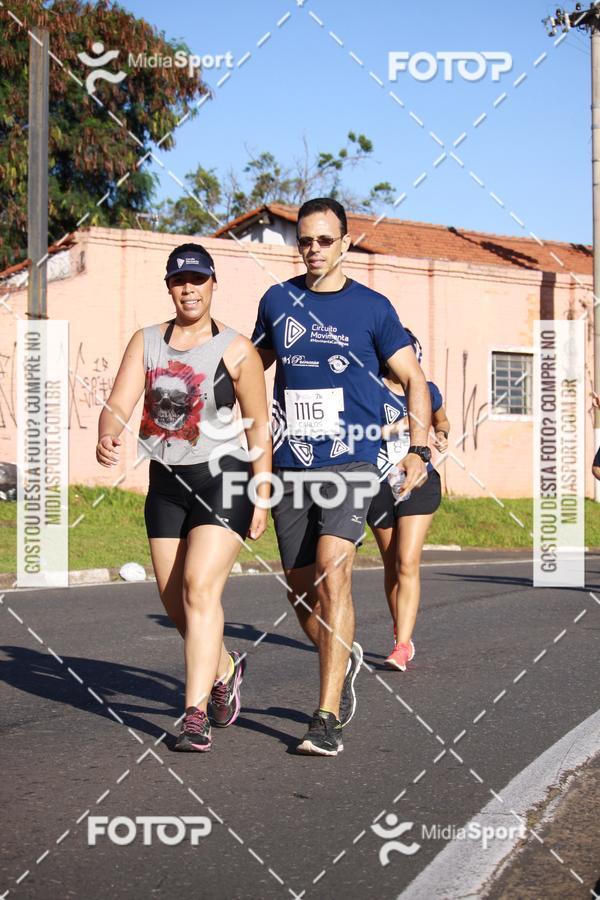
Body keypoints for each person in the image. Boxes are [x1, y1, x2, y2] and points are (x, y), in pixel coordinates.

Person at [251, 198, 431, 756]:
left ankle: (325, 716)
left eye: (324, 240)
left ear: (345, 243)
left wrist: (419, 448)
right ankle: (344, 657)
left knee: (335, 572)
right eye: (304, 240)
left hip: (352, 461)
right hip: (291, 466)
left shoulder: (373, 308)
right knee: (303, 598)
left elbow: (415, 380)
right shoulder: (277, 301)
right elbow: (248, 368)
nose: (312, 250)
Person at [96, 243, 271, 752]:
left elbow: (258, 427)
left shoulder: (238, 350)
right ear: (169, 287)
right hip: (167, 483)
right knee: (175, 603)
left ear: (213, 284)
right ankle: (225, 669)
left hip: (224, 478)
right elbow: (118, 403)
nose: (188, 288)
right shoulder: (147, 341)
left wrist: (261, 494)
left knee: (199, 589)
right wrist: (108, 431)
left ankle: (193, 715)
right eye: (179, 281)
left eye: (197, 279)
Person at [367, 332, 450, 671]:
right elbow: (361, 433)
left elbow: (442, 420)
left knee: (406, 561)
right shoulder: (370, 388)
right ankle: (401, 629)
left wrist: (442, 435)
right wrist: (399, 427)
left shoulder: (427, 391)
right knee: (391, 565)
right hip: (380, 484)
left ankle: (402, 645)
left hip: (418, 482)